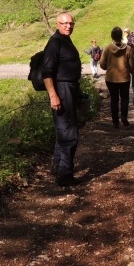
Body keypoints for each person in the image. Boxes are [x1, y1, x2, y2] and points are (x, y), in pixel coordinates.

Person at [42, 12, 83, 187]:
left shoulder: (66, 40)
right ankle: (65, 176)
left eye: (71, 24)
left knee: (63, 131)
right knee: (69, 132)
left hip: (70, 89)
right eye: (65, 23)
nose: (68, 26)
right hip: (61, 90)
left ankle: (58, 166)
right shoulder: (54, 43)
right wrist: (54, 96)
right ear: (57, 24)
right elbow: (47, 73)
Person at [99, 27, 134, 128]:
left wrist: (107, 67)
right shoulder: (128, 49)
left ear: (112, 36)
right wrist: (133, 72)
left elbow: (102, 63)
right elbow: (132, 64)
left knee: (114, 99)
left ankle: (115, 121)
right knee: (124, 98)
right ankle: (124, 117)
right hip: (124, 78)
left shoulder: (107, 48)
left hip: (111, 78)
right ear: (121, 36)